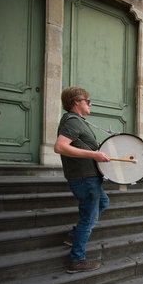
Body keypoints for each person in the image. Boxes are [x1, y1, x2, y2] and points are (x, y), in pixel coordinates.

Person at [54, 87, 110, 273]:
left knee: (103, 201)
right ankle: (77, 259)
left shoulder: (78, 121)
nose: (90, 104)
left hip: (89, 178)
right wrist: (94, 155)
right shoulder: (72, 121)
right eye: (88, 101)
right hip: (85, 179)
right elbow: (60, 147)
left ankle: (73, 235)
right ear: (76, 102)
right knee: (89, 218)